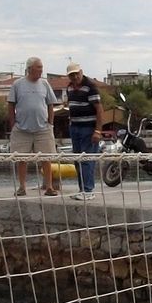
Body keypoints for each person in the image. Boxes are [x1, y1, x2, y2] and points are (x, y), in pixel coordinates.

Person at [8, 57, 60, 196]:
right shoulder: (17, 84)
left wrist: (51, 123)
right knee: (21, 159)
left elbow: (50, 104)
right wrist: (13, 124)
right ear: (30, 68)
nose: (41, 70)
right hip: (21, 129)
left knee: (46, 158)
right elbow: (11, 104)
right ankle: (22, 187)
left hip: (43, 128)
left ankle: (49, 187)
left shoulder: (45, 84)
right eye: (39, 67)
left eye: (42, 67)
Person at [64, 62, 105, 200]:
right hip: (75, 127)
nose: (74, 77)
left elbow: (99, 109)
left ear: (81, 72)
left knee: (87, 159)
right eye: (71, 75)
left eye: (76, 73)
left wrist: (98, 131)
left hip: (88, 128)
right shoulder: (69, 88)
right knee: (77, 159)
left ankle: (88, 190)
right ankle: (82, 189)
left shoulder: (91, 87)